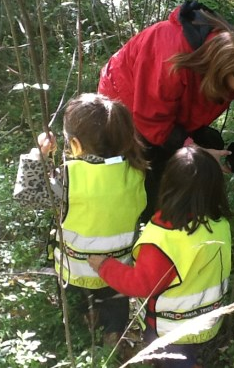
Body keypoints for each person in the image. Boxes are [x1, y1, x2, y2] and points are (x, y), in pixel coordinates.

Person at [98, 0, 234, 222]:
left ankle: (183, 222)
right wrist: (195, 151)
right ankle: (149, 230)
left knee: (206, 146)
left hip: (165, 114)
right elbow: (151, 122)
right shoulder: (170, 55)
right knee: (150, 177)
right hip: (128, 111)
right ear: (223, 69)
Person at [13, 93, 148, 344]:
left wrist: (39, 155)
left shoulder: (70, 178)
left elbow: (26, 196)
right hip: (118, 269)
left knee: (79, 313)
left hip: (76, 271)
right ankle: (113, 340)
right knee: (115, 310)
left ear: (75, 145)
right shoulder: (136, 170)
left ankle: (84, 343)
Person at [88, 146, 231, 368]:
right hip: (207, 319)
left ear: (168, 185)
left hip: (171, 329)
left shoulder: (163, 240)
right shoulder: (219, 224)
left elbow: (141, 284)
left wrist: (105, 266)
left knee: (176, 362)